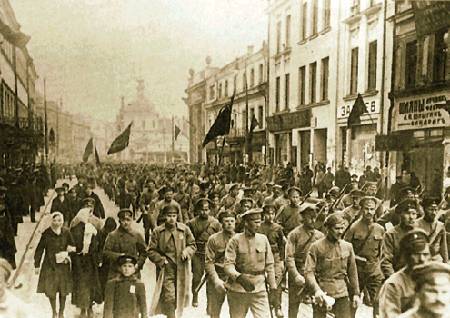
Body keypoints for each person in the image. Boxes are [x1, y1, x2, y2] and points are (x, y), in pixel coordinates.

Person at [304, 213, 361, 318]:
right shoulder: (316, 247)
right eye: (336, 228)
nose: (340, 232)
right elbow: (308, 272)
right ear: (328, 228)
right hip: (322, 292)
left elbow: (352, 272)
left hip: (341, 292)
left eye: (342, 228)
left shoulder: (348, 247)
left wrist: (356, 294)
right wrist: (317, 290)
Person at [224, 208, 277, 318]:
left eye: (259, 222)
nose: (258, 225)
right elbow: (228, 265)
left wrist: (273, 288)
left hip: (259, 288)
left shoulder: (263, 239)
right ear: (246, 223)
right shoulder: (235, 240)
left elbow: (270, 265)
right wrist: (238, 277)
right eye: (255, 222)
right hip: (238, 289)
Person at [148, 204, 196, 318]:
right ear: (165, 216)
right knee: (169, 295)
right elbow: (150, 250)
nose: (171, 218)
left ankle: (174, 313)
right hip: (166, 268)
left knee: (179, 294)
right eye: (169, 216)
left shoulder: (184, 229)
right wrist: (161, 260)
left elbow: (192, 245)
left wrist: (186, 251)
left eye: (174, 216)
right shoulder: (158, 231)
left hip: (181, 267)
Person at [344, 196, 385, 317]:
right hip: (357, 271)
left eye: (372, 209)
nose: (369, 212)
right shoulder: (353, 228)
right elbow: (345, 250)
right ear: (362, 209)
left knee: (378, 302)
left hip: (374, 271)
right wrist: (357, 259)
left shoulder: (380, 229)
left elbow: (382, 252)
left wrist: (379, 267)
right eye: (366, 209)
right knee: (353, 302)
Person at [378, 229, 431, 318]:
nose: (422, 259)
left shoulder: (434, 279)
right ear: (407, 256)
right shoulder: (394, 284)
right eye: (416, 254)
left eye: (425, 254)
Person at [285, 204, 325, 318]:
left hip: (314, 273)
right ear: (303, 217)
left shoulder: (320, 235)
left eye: (314, 217)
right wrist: (295, 275)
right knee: (294, 305)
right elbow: (289, 257)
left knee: (318, 304)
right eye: (309, 217)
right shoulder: (294, 234)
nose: (313, 220)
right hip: (299, 271)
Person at [34, 212, 76, 318]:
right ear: (51, 221)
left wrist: (67, 253)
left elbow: (73, 246)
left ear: (62, 221)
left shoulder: (66, 232)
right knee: (51, 291)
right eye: (54, 220)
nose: (57, 223)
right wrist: (37, 265)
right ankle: (54, 311)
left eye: (59, 220)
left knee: (63, 290)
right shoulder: (46, 233)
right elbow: (39, 249)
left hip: (63, 266)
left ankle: (61, 312)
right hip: (50, 266)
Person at [187, 198, 221, 307]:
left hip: (211, 254)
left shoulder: (215, 223)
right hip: (197, 253)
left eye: (206, 209)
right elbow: (189, 240)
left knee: (210, 278)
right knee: (197, 277)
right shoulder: (191, 223)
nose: (204, 212)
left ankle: (209, 303)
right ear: (197, 211)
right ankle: (195, 294)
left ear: (210, 210)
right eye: (202, 210)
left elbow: (220, 237)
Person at [70, 208, 101, 318]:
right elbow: (72, 244)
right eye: (88, 215)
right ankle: (83, 308)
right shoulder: (74, 229)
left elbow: (96, 243)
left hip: (89, 261)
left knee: (90, 284)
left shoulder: (92, 228)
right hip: (79, 261)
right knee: (81, 285)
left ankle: (89, 307)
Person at [205, 211, 236, 318]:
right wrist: (215, 279)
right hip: (219, 276)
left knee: (237, 311)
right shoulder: (213, 239)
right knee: (215, 311)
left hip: (234, 278)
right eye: (226, 221)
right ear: (221, 223)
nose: (229, 224)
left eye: (232, 221)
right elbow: (209, 262)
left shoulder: (240, 238)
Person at [258, 202, 285, 317]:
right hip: (261, 257)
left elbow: (282, 245)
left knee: (277, 282)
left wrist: (282, 260)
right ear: (264, 215)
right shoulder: (259, 227)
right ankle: (265, 304)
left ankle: (278, 306)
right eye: (268, 214)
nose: (270, 216)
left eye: (273, 213)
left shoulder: (278, 228)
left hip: (275, 257)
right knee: (262, 281)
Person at [381, 199, 420, 279]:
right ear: (400, 214)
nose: (411, 217)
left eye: (414, 213)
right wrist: (395, 280)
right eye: (408, 213)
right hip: (398, 276)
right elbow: (386, 261)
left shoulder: (420, 233)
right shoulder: (391, 234)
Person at [103, 209, 147, 278]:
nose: (126, 222)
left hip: (133, 272)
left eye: (128, 220)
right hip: (116, 272)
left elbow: (144, 253)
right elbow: (106, 252)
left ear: (131, 220)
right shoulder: (112, 236)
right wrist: (120, 256)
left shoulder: (137, 235)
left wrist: (138, 265)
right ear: (119, 221)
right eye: (123, 220)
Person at [417, 196, 448, 262]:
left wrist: (446, 263)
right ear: (424, 209)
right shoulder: (416, 224)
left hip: (437, 259)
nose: (434, 213)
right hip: (422, 260)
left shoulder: (440, 225)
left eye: (436, 210)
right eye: (431, 209)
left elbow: (443, 247)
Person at [97, 217, 117, 303]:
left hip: (110, 259)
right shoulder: (101, 233)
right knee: (102, 278)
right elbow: (99, 248)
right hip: (103, 260)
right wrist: (100, 259)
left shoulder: (113, 234)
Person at [0, 190, 16, 268]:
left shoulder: (6, 204)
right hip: (5, 228)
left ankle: (11, 263)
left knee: (9, 245)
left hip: (7, 229)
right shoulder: (5, 205)